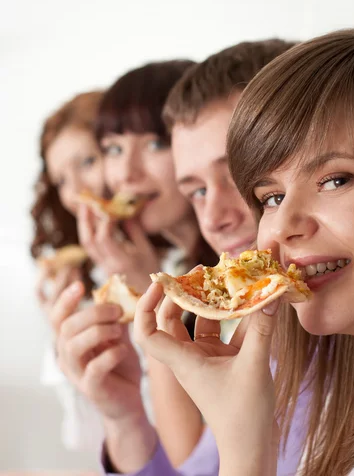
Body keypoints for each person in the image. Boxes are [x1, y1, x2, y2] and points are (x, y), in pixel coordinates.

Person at [135, 25, 354, 475]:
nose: (281, 227)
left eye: (334, 180)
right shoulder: (349, 430)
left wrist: (243, 448)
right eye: (271, 197)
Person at [96, 38, 302, 475]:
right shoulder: (259, 335)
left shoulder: (330, 331)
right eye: (197, 191)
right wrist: (126, 419)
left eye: (237, 176)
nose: (214, 218)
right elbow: (196, 467)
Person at [52, 61, 217, 465]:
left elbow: (191, 462)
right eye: (113, 149)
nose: (125, 173)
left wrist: (150, 295)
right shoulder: (168, 260)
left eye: (155, 144)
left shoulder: (224, 279)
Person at [30, 90, 107, 450]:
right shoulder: (84, 277)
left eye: (87, 162)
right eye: (60, 180)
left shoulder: (184, 262)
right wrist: (59, 332)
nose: (75, 191)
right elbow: (82, 438)